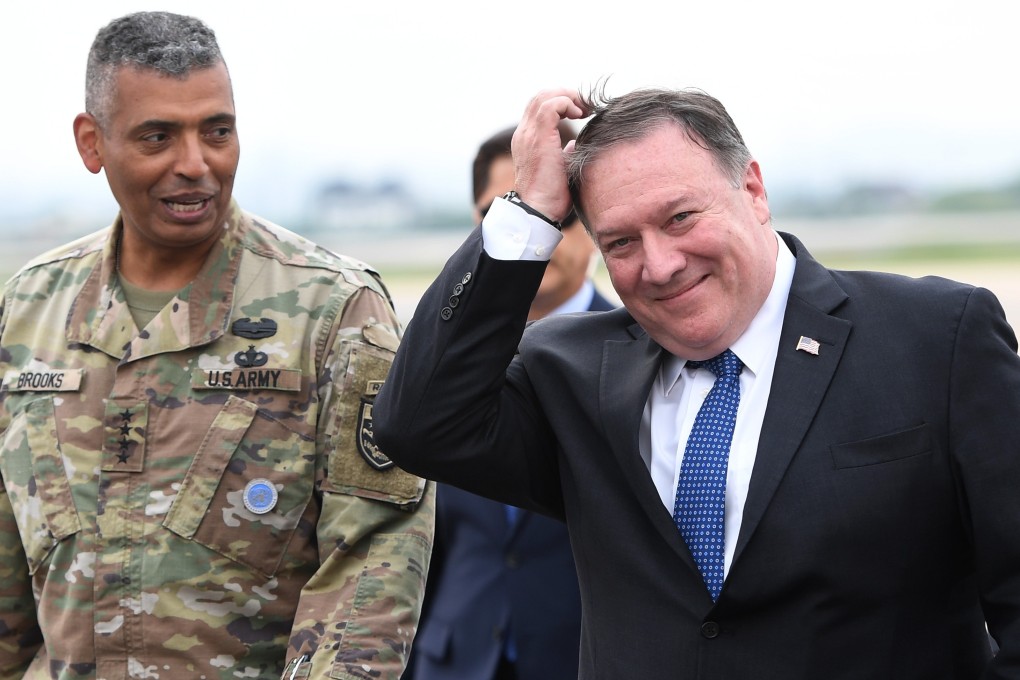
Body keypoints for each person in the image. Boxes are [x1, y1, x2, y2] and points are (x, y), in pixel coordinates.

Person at [374, 85, 1020, 679]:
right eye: (621, 242)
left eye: (680, 218)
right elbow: (420, 424)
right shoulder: (570, 370)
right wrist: (528, 212)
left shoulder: (935, 338)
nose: (659, 265)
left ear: (754, 189)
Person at [0, 12, 434, 679]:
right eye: (158, 137)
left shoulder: (334, 311)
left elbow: (372, 567)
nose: (195, 164)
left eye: (217, 132)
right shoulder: (26, 312)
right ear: (93, 144)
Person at [404, 124, 611, 680]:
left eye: (555, 217)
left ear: (591, 225)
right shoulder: (436, 368)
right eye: (510, 215)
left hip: (580, 657)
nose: (534, 233)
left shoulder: (644, 354)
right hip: (455, 658)